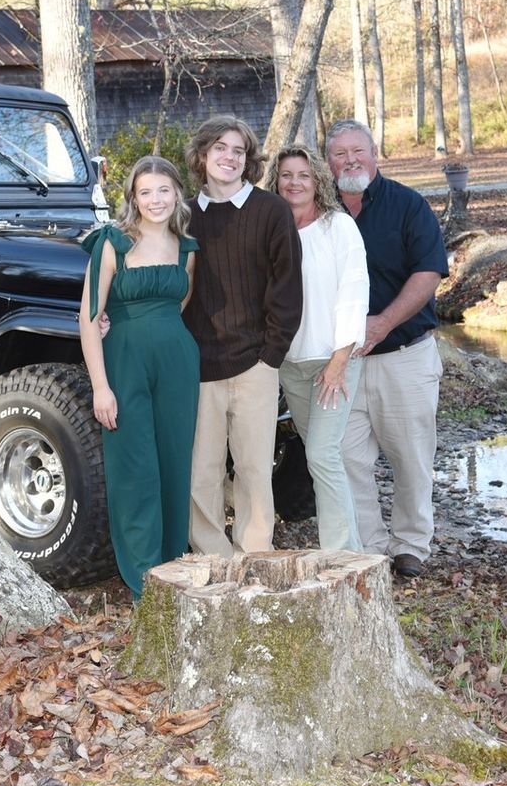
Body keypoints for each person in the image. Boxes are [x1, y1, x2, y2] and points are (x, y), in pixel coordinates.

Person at [324, 119, 448, 578]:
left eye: (358, 150)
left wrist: (381, 323)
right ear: (328, 162)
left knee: (411, 457)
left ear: (375, 154)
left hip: (403, 356)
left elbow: (429, 273)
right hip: (343, 363)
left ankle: (411, 545)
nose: (350, 160)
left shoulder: (408, 206)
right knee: (348, 457)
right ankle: (371, 549)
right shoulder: (321, 213)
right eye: (339, 153)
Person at [79, 156, 199, 596]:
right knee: (134, 469)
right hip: (124, 363)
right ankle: (143, 578)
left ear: (176, 194)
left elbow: (180, 305)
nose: (156, 200)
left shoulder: (186, 247)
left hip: (178, 365)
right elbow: (89, 318)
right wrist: (100, 387)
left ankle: (171, 568)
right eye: (146, 192)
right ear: (132, 197)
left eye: (163, 190)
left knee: (173, 463)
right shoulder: (113, 243)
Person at [183, 116, 303, 557]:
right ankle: (212, 554)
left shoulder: (270, 211)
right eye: (220, 149)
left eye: (238, 150)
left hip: (256, 362)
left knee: (254, 467)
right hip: (199, 364)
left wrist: (271, 354)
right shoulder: (184, 215)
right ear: (202, 156)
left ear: (247, 160)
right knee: (203, 469)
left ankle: (254, 551)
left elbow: (288, 288)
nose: (230, 157)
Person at [266, 144, 369, 551]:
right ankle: (354, 552)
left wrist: (340, 359)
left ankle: (342, 557)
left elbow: (354, 292)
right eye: (287, 175)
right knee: (319, 458)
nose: (295, 183)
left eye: (303, 175)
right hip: (292, 365)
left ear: (318, 181)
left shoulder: (338, 227)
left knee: (324, 456)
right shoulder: (273, 232)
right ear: (276, 181)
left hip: (333, 363)